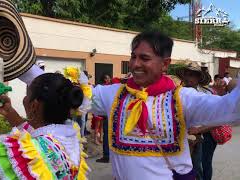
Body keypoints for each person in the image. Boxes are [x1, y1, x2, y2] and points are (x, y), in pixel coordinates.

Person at [19, 31, 240, 180]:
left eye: (144, 58)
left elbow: (231, 108)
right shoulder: (113, 95)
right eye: (133, 57)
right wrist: (21, 64)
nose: (135, 64)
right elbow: (60, 91)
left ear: (165, 64)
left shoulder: (184, 99)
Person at [176, 62, 218, 180]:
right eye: (187, 74)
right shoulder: (176, 93)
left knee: (199, 167)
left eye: (192, 75)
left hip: (201, 137)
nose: (188, 77)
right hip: (179, 137)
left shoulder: (206, 94)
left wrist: (198, 130)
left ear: (199, 77)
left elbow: (217, 121)